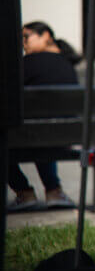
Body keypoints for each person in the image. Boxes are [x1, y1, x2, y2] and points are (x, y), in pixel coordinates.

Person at [7, 21, 80, 212]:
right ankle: (54, 190)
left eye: (26, 36)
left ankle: (24, 192)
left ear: (46, 36)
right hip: (66, 136)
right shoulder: (67, 64)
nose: (23, 42)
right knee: (43, 133)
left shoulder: (27, 64)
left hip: (34, 136)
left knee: (29, 134)